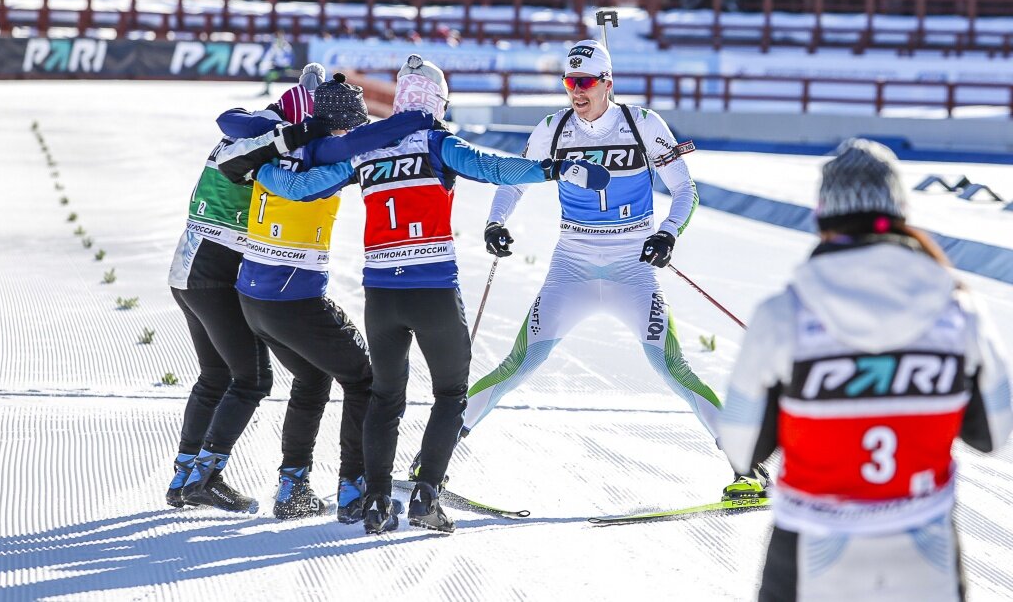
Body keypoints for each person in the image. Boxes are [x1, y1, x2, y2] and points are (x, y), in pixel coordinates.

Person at [252, 55, 610, 535]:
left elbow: (302, 187)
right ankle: (426, 496)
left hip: (381, 293)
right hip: (433, 290)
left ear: (400, 98)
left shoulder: (368, 152)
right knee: (451, 394)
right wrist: (554, 169)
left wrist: (259, 167)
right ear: (438, 101)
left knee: (384, 396)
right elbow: (493, 168)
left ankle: (377, 503)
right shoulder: (438, 142)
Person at [450, 39, 767, 499]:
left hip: (632, 268)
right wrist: (495, 222)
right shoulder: (553, 127)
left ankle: (748, 467)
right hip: (571, 266)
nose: (576, 92)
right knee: (518, 364)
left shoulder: (642, 124)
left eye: (585, 82)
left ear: (607, 84)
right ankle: (434, 458)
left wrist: (668, 233)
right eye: (569, 82)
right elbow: (513, 180)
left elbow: (684, 189)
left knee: (673, 368)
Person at [718, 139, 1013, 602]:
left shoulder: (784, 313)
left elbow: (740, 445)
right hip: (925, 550)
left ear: (822, 216)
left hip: (811, 547)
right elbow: (994, 434)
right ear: (900, 213)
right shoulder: (959, 309)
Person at [205, 74, 437, 522]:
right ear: (338, 125)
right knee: (364, 379)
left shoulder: (271, 148)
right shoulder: (326, 152)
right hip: (292, 298)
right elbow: (351, 149)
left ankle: (293, 486)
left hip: (254, 300)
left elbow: (233, 124)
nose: (352, 134)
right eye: (349, 125)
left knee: (312, 380)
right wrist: (417, 120)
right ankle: (353, 488)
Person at [164, 65, 327, 513]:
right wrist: (304, 130)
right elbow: (261, 141)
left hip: (193, 269)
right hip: (211, 271)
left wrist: (303, 111)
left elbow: (241, 122)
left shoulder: (251, 130)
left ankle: (184, 476)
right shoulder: (255, 143)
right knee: (253, 379)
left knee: (216, 376)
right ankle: (204, 476)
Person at [261, 30, 294, 96]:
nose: (278, 39)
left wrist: (287, 66)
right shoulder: (274, 46)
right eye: (277, 37)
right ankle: (266, 90)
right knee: (269, 75)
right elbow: (269, 56)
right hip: (277, 67)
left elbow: (290, 58)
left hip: (284, 67)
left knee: (271, 75)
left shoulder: (287, 47)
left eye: (280, 37)